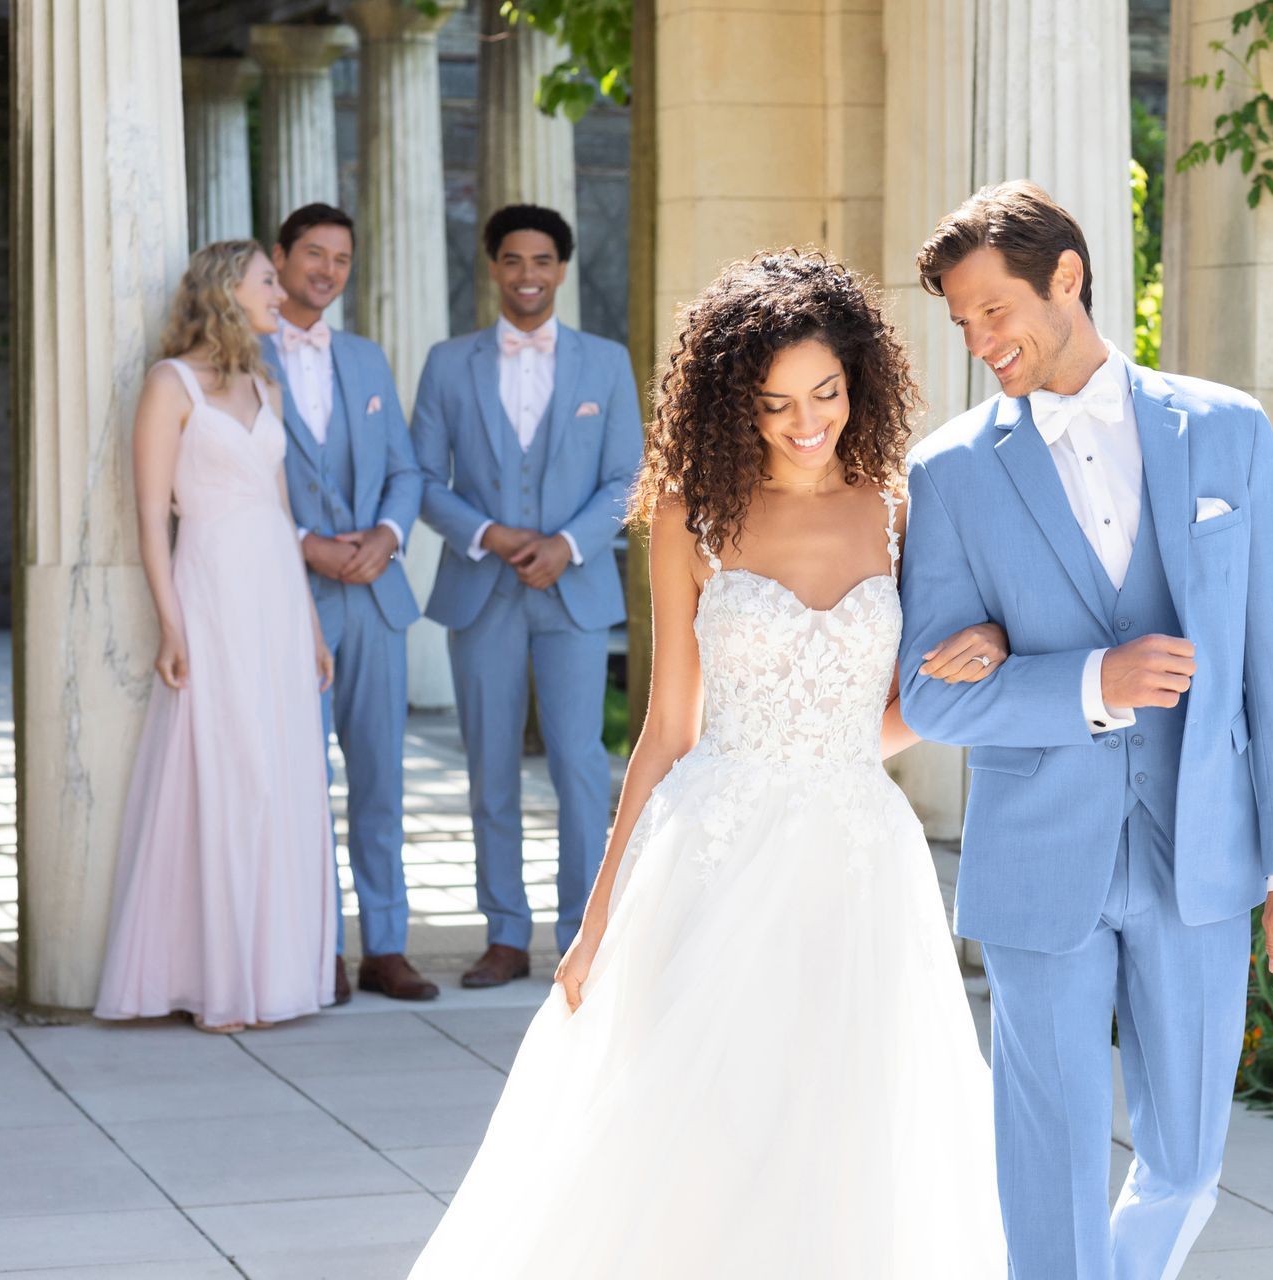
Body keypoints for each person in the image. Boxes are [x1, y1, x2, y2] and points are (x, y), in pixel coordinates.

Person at [406, 251, 1009, 1278]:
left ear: (857, 381)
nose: (806, 420)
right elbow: (668, 727)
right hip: (717, 847)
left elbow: (898, 713)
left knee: (851, 1119)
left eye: (825, 392)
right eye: (776, 403)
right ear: (739, 405)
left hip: (858, 856)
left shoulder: (900, 507)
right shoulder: (694, 514)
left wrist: (985, 650)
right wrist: (596, 920)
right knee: (704, 1118)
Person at [898, 181, 1273, 1280]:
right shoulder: (949, 472)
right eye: (962, 322)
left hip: (1200, 854)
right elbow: (933, 694)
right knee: (1047, 1161)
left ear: (1068, 277)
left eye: (994, 310)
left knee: (1186, 1159)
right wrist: (1093, 679)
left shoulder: (1227, 430)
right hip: (1041, 856)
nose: (980, 340)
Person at [94, 240, 338, 1034]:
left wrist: (308, 626)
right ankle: (216, 979)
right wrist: (171, 625)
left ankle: (275, 974)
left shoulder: (262, 384)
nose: (282, 291)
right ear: (228, 289)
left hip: (272, 590)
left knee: (280, 775)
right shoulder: (170, 386)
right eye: (268, 279)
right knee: (227, 770)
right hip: (212, 590)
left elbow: (283, 515)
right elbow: (149, 517)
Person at [410, 204, 639, 988]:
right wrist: (489, 535)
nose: (528, 275)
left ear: (562, 270)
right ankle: (504, 934)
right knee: (490, 767)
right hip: (482, 589)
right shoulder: (448, 363)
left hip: (573, 590)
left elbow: (627, 477)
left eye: (542, 260)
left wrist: (566, 543)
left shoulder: (605, 363)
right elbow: (419, 479)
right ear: (494, 267)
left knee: (579, 765)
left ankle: (583, 929)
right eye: (513, 260)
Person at [265, 202, 435, 1005]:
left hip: (376, 595)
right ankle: (318, 948)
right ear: (280, 257)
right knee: (302, 779)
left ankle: (387, 946)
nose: (326, 270)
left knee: (380, 778)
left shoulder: (366, 359)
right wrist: (304, 541)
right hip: (287, 597)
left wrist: (389, 537)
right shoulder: (241, 354)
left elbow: (405, 470)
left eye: (341, 258)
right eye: (313, 254)